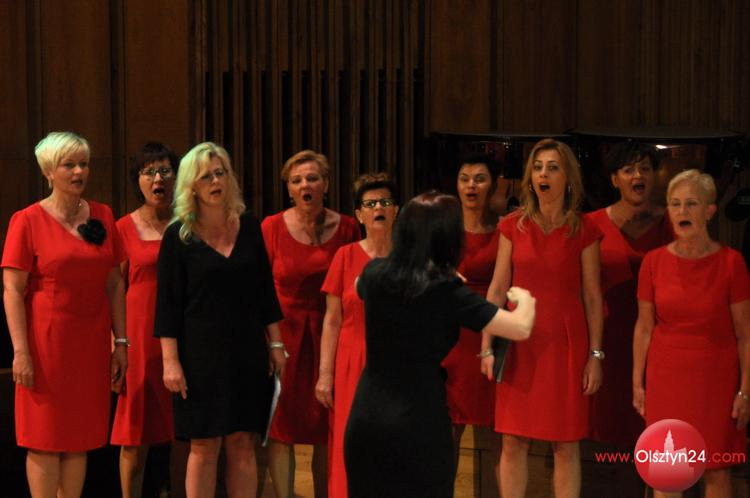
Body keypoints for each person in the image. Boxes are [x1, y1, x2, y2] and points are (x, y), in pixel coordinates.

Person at [344, 191, 536, 498]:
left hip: (367, 418)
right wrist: (524, 298)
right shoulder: (446, 289)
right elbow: (520, 326)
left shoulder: (375, 273)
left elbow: (359, 287)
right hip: (418, 420)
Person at [154, 142, 286, 498]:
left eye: (220, 173)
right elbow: (167, 305)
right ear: (191, 186)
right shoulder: (177, 236)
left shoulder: (250, 227)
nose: (215, 181)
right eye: (205, 176)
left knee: (243, 440)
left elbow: (264, 291)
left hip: (246, 351)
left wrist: (276, 343)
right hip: (198, 356)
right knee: (204, 444)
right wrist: (170, 362)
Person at [2, 131, 127, 497]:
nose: (78, 172)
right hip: (46, 348)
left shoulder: (103, 215)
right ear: (48, 172)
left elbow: (115, 284)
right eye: (68, 165)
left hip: (89, 346)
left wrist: (121, 342)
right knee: (44, 439)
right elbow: (12, 290)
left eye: (83, 164)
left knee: (78, 438)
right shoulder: (27, 220)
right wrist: (21, 352)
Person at [483, 138, 604, 498]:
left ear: (568, 177)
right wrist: (487, 346)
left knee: (565, 444)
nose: (543, 175)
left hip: (565, 344)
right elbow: (497, 288)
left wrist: (595, 356)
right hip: (520, 342)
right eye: (537, 168)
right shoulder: (512, 226)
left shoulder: (583, 229)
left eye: (552, 168)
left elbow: (592, 297)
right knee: (512, 440)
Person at [633, 169, 750, 498]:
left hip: (717, 383)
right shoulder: (653, 262)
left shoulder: (731, 263)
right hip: (666, 382)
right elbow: (644, 327)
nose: (682, 211)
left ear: (709, 211)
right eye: (675, 204)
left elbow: (745, 334)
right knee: (667, 472)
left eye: (691, 203)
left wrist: (745, 390)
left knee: (716, 470)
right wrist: (637, 382)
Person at [262, 150, 360, 498]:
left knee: (326, 425)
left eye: (313, 178)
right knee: (280, 425)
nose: (305, 185)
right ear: (288, 188)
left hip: (330, 333)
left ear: (326, 185)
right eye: (297, 180)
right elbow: (260, 290)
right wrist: (269, 343)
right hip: (283, 337)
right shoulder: (271, 227)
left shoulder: (347, 227)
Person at [586, 142, 673, 495]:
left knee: (662, 437)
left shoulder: (675, 220)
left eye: (645, 168)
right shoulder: (591, 224)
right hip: (609, 343)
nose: (638, 175)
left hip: (662, 344)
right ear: (614, 179)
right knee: (614, 442)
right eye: (628, 170)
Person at [315, 173, 399, 498]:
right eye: (370, 204)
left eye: (385, 202)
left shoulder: (409, 259)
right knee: (350, 442)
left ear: (396, 211)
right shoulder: (345, 256)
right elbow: (332, 320)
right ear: (360, 215)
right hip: (352, 362)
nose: (378, 208)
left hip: (395, 364)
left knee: (392, 444)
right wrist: (325, 374)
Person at [110, 142, 180, 498]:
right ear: (137, 180)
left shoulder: (188, 226)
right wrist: (116, 345)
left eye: (164, 171)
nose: (157, 179)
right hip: (138, 339)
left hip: (182, 338)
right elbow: (114, 289)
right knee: (134, 436)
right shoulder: (123, 228)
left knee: (184, 433)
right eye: (148, 172)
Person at [442, 154, 500, 459]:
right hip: (451, 334)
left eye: (479, 179)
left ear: (493, 185)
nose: (471, 186)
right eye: (464, 179)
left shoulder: (505, 228)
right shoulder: (443, 229)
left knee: (498, 427)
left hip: (491, 331)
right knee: (447, 427)